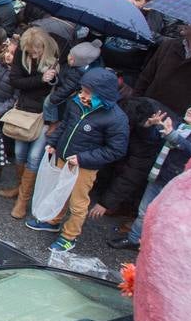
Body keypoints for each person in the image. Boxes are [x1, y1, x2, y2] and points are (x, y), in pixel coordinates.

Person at [24, 68, 129, 252]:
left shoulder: (116, 119)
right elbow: (65, 125)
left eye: (87, 92)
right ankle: (53, 221)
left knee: (78, 203)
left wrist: (82, 159)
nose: (82, 95)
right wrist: (53, 143)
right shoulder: (76, 103)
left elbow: (116, 150)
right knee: (59, 192)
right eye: (82, 90)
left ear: (102, 93)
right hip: (63, 157)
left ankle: (69, 236)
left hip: (85, 167)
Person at [111, 96, 191, 251]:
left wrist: (173, 135)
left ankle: (156, 247)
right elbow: (156, 139)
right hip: (158, 176)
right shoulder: (180, 126)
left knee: (165, 217)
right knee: (144, 211)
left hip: (177, 185)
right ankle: (134, 239)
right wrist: (150, 126)